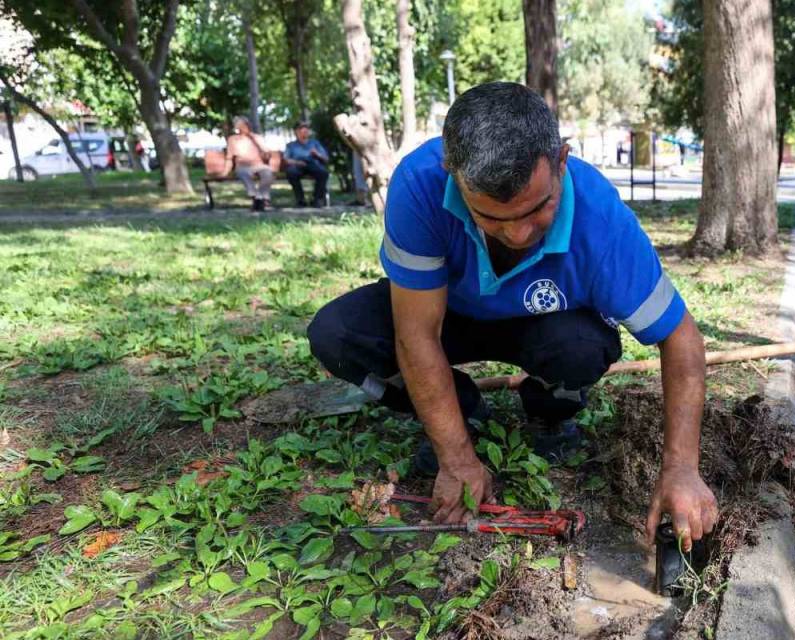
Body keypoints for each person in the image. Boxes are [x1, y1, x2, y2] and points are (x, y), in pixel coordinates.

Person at [307, 82, 719, 550]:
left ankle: (549, 412)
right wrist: (457, 457)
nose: (519, 234)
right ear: (453, 176)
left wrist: (681, 469)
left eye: (539, 208)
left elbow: (681, 337)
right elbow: (417, 334)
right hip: (446, 317)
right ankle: (464, 413)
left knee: (585, 347)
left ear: (562, 161)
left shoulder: (601, 220)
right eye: (491, 217)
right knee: (336, 335)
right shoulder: (418, 186)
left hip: (544, 324)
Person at [227, 116, 274, 211]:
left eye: (243, 125)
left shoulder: (257, 137)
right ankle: (255, 197)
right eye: (239, 126)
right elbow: (229, 157)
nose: (241, 128)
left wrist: (258, 143)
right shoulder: (233, 139)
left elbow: (267, 152)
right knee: (243, 173)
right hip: (242, 165)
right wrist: (226, 171)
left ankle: (260, 197)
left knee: (268, 173)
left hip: (258, 164)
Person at [284, 123, 330, 207]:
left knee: (323, 173)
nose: (305, 131)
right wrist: (297, 162)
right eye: (302, 129)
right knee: (291, 173)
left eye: (307, 129)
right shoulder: (290, 146)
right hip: (297, 164)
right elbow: (286, 160)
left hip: (313, 164)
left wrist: (317, 154)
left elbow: (326, 159)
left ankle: (317, 199)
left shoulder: (315, 143)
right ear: (297, 132)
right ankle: (300, 200)